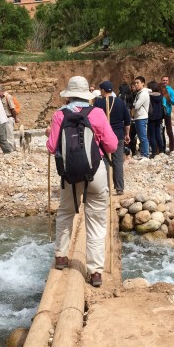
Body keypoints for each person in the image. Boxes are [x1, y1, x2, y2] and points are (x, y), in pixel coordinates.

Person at [46, 76, 118, 288]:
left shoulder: (59, 114)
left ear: (69, 95)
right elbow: (112, 146)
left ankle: (61, 257)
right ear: (87, 94)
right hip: (95, 173)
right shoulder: (97, 113)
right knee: (96, 220)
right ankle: (95, 271)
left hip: (69, 174)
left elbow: (51, 148)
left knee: (66, 212)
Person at [93, 80, 130, 195]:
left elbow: (94, 120)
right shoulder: (119, 101)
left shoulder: (98, 103)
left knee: (105, 161)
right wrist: (127, 134)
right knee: (118, 162)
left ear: (103, 90)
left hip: (104, 136)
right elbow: (127, 120)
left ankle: (107, 187)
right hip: (118, 135)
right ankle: (119, 188)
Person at [131, 76, 150, 158]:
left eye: (138, 83)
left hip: (141, 117)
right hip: (138, 117)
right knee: (140, 136)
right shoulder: (139, 93)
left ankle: (145, 155)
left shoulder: (143, 94)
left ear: (143, 83)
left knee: (143, 137)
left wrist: (133, 105)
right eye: (135, 83)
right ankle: (142, 153)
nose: (136, 84)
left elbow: (136, 105)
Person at [0, 85, 17, 150]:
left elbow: (13, 109)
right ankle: (11, 149)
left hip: (8, 118)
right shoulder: (0, 98)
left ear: (1, 91)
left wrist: (15, 118)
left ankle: (12, 149)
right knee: (6, 135)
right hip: (3, 119)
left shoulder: (8, 97)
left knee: (9, 135)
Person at [147, 81, 165, 158]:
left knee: (152, 135)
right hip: (159, 117)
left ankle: (154, 152)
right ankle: (161, 150)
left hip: (151, 117)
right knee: (158, 134)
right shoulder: (160, 96)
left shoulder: (149, 96)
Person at [118, 82, 136, 156]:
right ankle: (131, 150)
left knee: (123, 134)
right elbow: (132, 107)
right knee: (129, 134)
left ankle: (123, 150)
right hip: (129, 117)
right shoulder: (130, 96)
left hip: (121, 118)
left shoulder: (120, 96)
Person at [160, 76, 174, 153]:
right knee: (160, 131)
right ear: (161, 81)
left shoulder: (171, 90)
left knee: (169, 131)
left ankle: (171, 148)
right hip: (159, 113)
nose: (165, 82)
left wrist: (168, 98)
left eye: (166, 80)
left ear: (168, 81)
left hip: (167, 112)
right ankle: (161, 148)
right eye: (163, 80)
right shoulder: (159, 89)